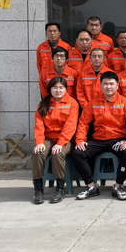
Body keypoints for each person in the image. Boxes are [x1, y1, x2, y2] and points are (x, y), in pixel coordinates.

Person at [72, 72, 126, 200]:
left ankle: (118, 186)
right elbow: (83, 123)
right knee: (77, 153)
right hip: (99, 140)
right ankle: (91, 186)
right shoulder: (93, 103)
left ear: (117, 85)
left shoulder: (125, 103)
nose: (108, 87)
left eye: (111, 84)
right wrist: (80, 140)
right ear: (101, 85)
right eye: (105, 84)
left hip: (117, 140)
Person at [30, 76, 79, 204]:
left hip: (66, 139)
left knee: (58, 154)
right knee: (37, 153)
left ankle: (60, 188)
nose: (58, 90)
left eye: (61, 87)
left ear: (66, 89)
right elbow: (39, 125)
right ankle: (38, 189)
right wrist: (39, 142)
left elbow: (70, 126)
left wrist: (61, 143)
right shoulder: (44, 103)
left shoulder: (72, 103)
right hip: (48, 138)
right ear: (50, 89)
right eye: (55, 88)